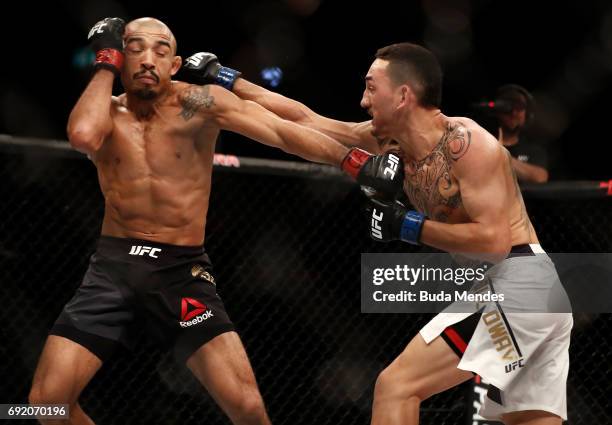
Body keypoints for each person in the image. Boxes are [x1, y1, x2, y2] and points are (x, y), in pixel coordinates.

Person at [27, 17, 402, 425]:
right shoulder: (107, 112)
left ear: (175, 65)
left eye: (161, 50)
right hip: (113, 268)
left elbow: (279, 131)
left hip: (180, 271)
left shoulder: (199, 103)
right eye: (135, 48)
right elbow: (82, 136)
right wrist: (104, 64)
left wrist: (351, 162)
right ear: (119, 57)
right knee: (46, 403)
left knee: (248, 409)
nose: (149, 59)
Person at [188, 44, 572, 424]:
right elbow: (306, 120)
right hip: (533, 295)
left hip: (521, 288)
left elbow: (494, 241)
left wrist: (407, 225)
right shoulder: (392, 143)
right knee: (525, 420)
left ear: (403, 95)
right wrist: (229, 80)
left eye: (372, 87)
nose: (363, 100)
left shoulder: (467, 145)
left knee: (397, 386)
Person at [494, 84, 549, 183]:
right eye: (507, 106)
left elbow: (540, 177)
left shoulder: (533, 149)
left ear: (527, 114)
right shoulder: (480, 142)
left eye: (519, 107)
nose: (513, 113)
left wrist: (500, 157)